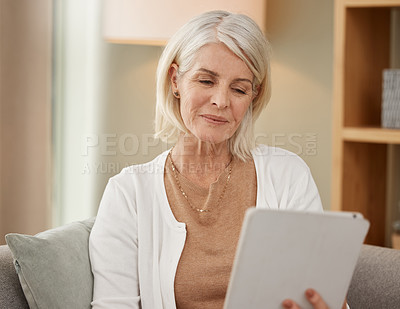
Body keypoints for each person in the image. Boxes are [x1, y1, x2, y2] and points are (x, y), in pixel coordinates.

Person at [89, 10, 347, 309]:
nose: (221, 101)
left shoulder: (288, 175)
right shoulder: (128, 193)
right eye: (206, 81)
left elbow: (320, 291)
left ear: (254, 95)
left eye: (238, 89)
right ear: (175, 80)